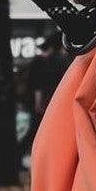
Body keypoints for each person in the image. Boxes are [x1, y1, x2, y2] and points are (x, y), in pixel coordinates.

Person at [18, 32, 69, 169]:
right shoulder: (45, 62)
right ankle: (21, 156)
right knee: (35, 131)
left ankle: (22, 156)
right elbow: (39, 84)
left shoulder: (42, 61)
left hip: (43, 102)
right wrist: (39, 102)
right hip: (44, 102)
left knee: (35, 131)